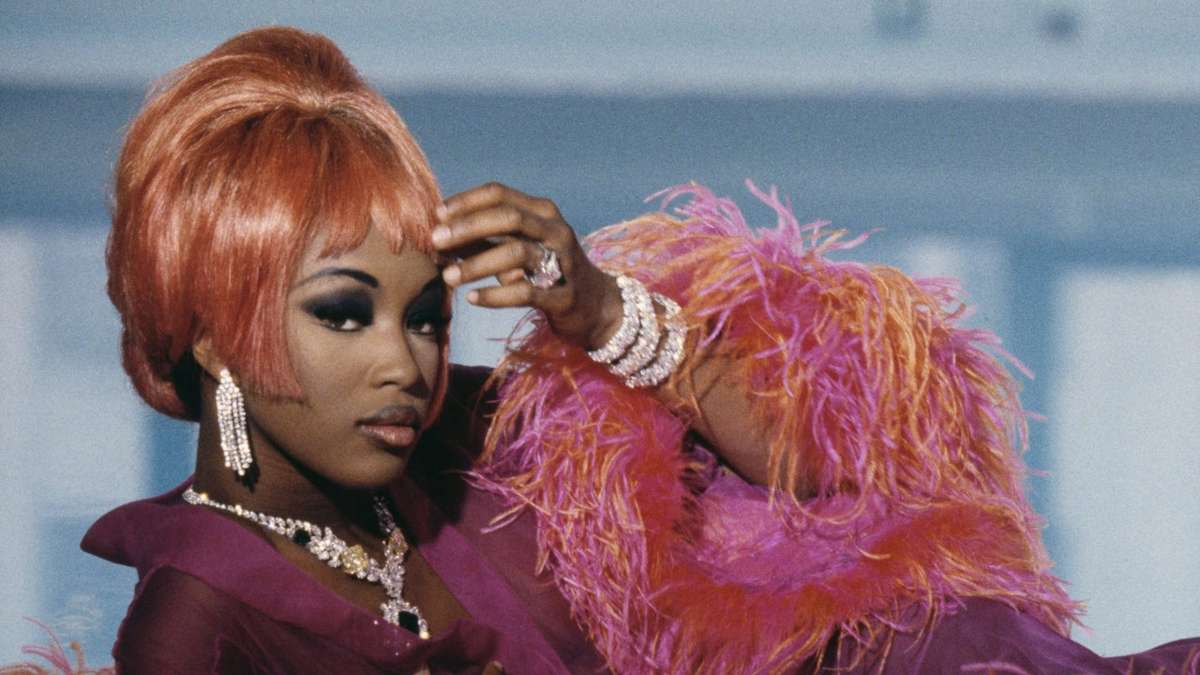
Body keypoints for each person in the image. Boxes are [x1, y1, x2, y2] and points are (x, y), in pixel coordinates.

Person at [66, 24, 1198, 675]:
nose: (404, 363)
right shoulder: (192, 622)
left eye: (427, 315)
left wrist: (603, 313)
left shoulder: (474, 438)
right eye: (344, 314)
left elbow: (838, 475)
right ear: (209, 327)